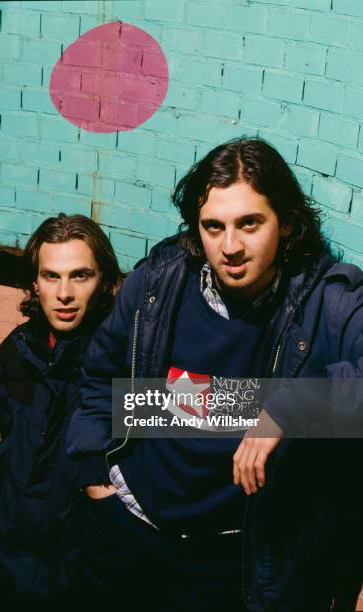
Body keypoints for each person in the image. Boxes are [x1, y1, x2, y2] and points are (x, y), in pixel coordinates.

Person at [67, 137, 363, 610]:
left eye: (250, 224)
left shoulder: (327, 302)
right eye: (213, 226)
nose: (230, 247)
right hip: (127, 526)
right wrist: (95, 477)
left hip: (228, 557)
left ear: (286, 223)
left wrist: (292, 407)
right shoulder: (159, 282)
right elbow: (99, 376)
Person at [0, 213, 122, 607]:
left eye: (80, 276)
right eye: (51, 276)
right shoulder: (14, 353)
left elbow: (217, 406)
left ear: (105, 282)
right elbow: (8, 442)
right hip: (6, 565)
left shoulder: (126, 362)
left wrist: (297, 408)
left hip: (79, 577)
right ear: (34, 282)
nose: (64, 293)